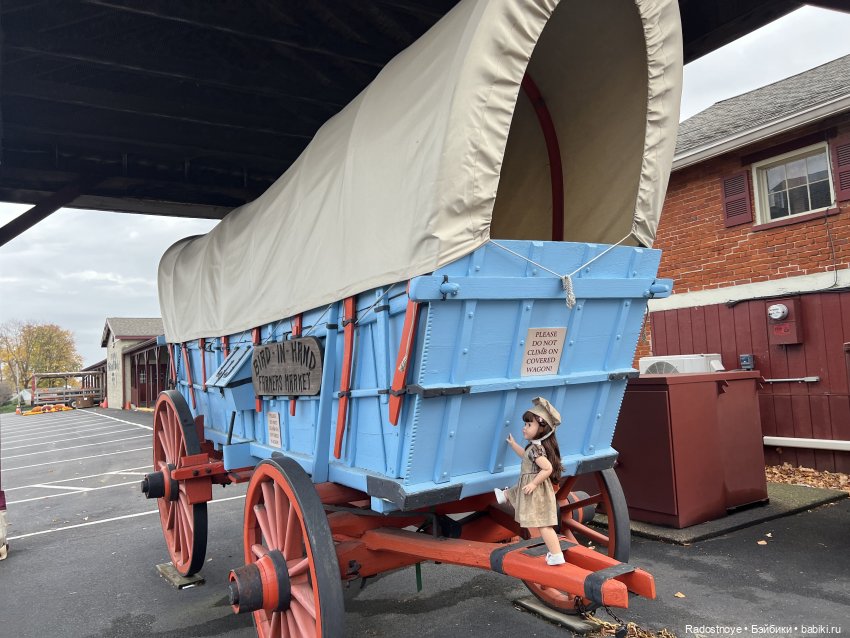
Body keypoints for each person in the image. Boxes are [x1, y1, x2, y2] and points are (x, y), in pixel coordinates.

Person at [495, 396, 565, 565]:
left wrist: (533, 484)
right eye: (525, 424)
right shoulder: (532, 449)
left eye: (528, 425)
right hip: (533, 486)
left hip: (537, 490)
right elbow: (525, 456)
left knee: (544, 525)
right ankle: (504, 495)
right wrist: (513, 445)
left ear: (542, 428)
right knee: (543, 523)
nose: (524, 428)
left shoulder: (537, 450)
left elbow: (547, 468)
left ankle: (556, 555)